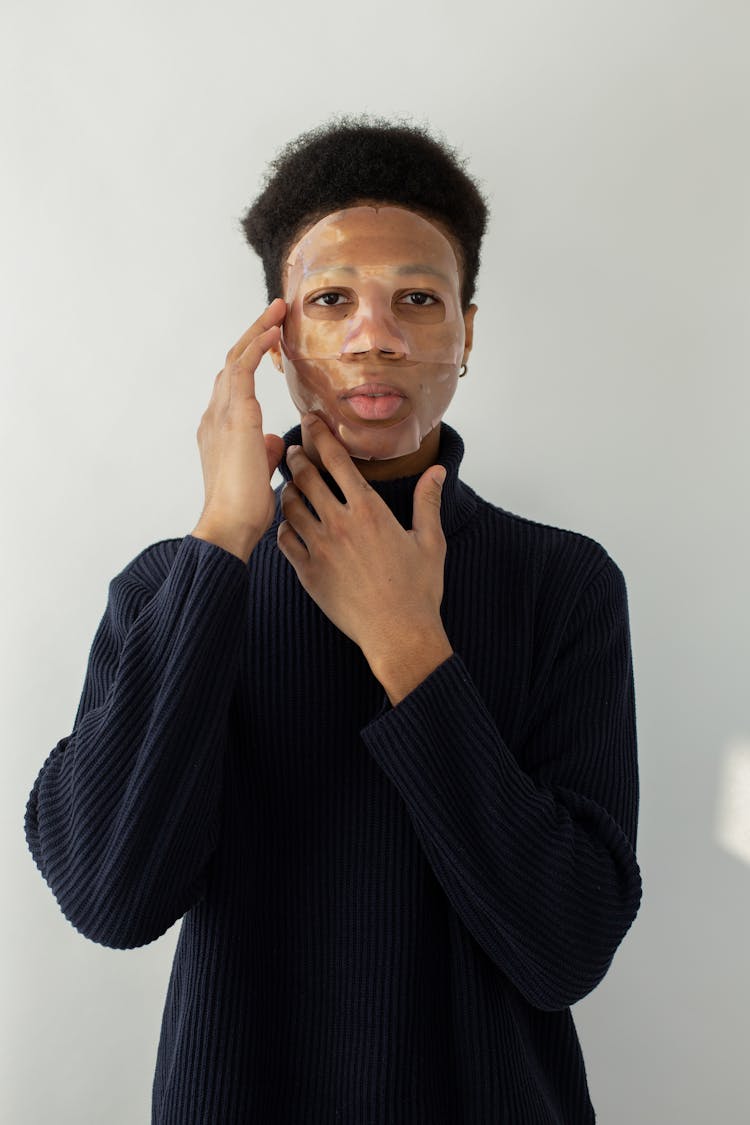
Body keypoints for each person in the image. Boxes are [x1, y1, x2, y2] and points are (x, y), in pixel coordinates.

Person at [24, 114, 643, 1124]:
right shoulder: (171, 589)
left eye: (417, 299)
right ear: (277, 335)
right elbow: (110, 897)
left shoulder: (560, 583)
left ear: (467, 332)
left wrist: (411, 648)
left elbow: (566, 947)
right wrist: (224, 537)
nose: (376, 335)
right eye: (331, 300)